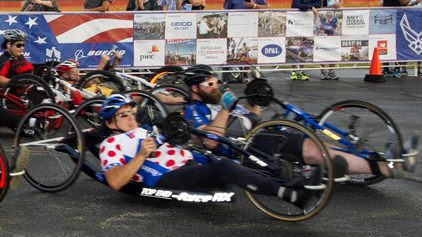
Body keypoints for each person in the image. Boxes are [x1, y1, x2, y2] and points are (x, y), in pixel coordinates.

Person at [179, 65, 418, 182]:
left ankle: (382, 158)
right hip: (251, 147)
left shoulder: (221, 98)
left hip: (264, 131)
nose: (216, 87)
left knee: (320, 144)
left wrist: (255, 100)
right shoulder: (193, 110)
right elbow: (209, 141)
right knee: (315, 151)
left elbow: (252, 117)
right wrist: (224, 111)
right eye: (209, 84)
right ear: (195, 88)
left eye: (215, 82)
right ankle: (386, 167)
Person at [97, 94, 318, 207]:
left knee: (236, 155)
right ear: (110, 123)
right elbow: (115, 181)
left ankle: (294, 177)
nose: (130, 118)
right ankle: (291, 195)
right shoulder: (112, 144)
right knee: (226, 168)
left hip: (190, 158)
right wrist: (141, 155)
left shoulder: (143, 130)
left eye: (131, 112)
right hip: (165, 176)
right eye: (123, 115)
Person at [371, 0, 413, 76]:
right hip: (386, 20)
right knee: (385, 42)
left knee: (399, 43)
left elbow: (403, 2)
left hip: (400, 21)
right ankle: (385, 67)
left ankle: (398, 67)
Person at [289, 0, 321, 81]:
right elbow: (295, 4)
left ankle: (301, 71)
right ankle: (293, 71)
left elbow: (319, 3)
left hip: (309, 24)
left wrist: (308, 6)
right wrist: (310, 7)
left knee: (304, 46)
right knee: (294, 46)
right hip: (296, 22)